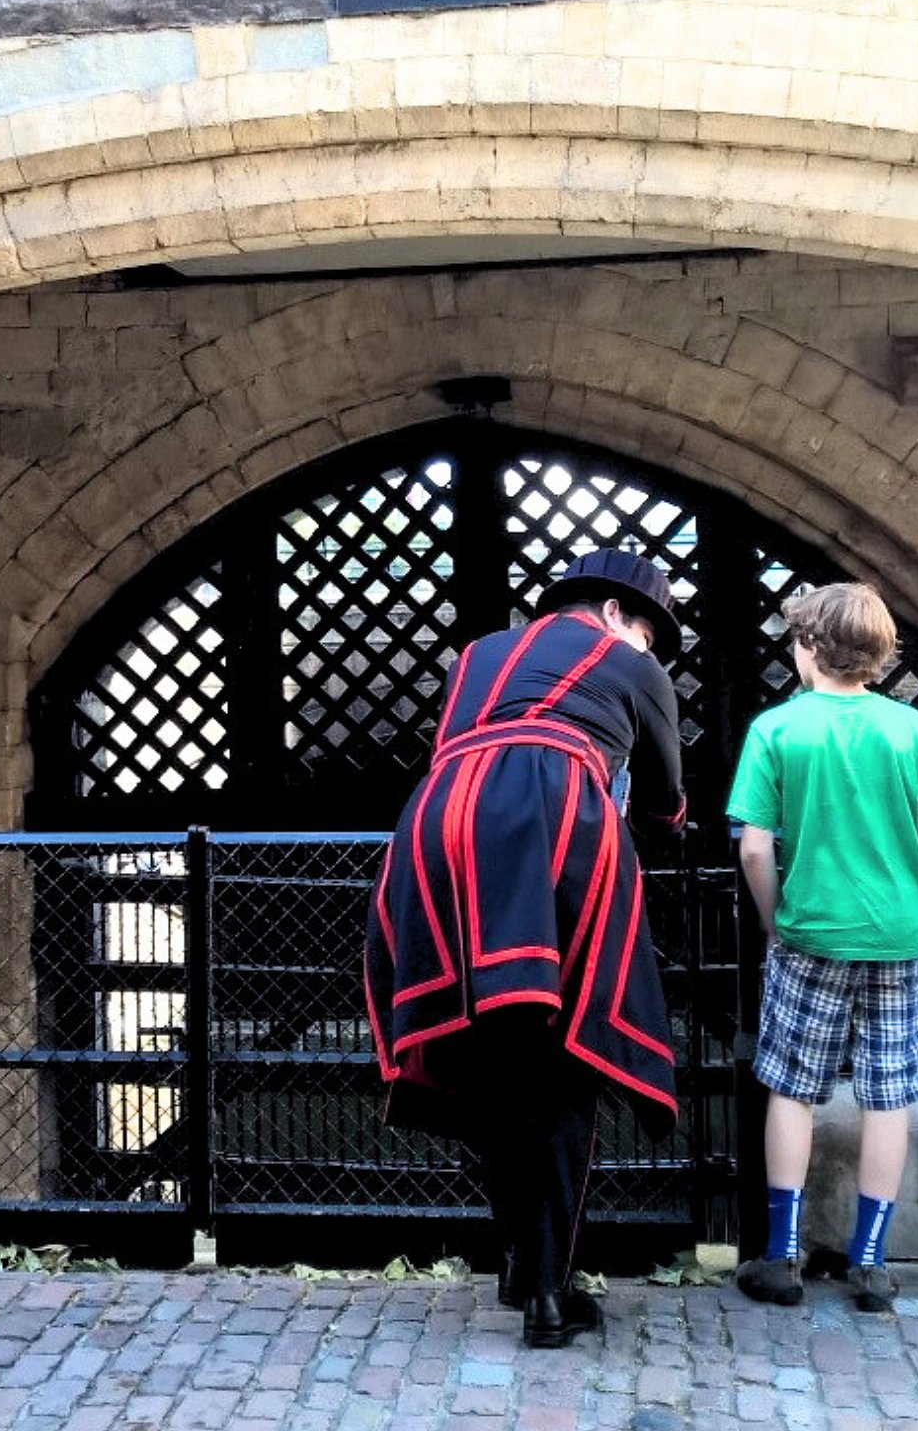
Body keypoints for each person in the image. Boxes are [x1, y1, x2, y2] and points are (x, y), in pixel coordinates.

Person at [363, 548, 687, 1349]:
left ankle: (519, 1260)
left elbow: (467, 743)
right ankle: (549, 1287)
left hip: (436, 827)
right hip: (553, 816)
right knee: (563, 1055)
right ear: (615, 613)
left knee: (491, 1056)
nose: (648, 645)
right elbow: (667, 800)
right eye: (650, 629)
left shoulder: (473, 657)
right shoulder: (627, 661)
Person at [726, 583, 918, 1313]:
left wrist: (774, 919)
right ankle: (871, 1261)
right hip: (900, 933)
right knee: (886, 1096)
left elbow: (756, 850)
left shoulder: (777, 730)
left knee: (793, 1087)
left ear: (809, 648)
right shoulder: (910, 730)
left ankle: (783, 1253)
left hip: (810, 930)